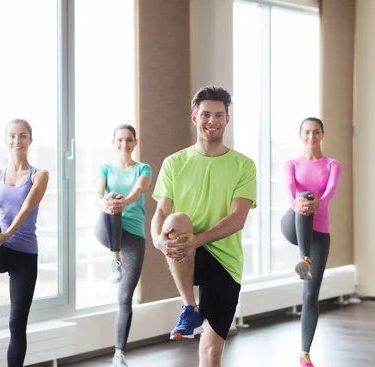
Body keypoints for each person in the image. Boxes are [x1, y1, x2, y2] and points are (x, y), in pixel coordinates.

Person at [151, 86, 257, 367]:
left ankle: (197, 317)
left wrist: (199, 240)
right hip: (186, 253)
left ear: (227, 120)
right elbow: (160, 212)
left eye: (219, 115)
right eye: (206, 114)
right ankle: (189, 307)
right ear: (195, 118)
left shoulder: (244, 165)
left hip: (224, 259)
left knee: (211, 352)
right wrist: (157, 239)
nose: (213, 120)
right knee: (176, 220)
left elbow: (238, 218)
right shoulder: (174, 163)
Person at [0, 118, 49, 367]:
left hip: (25, 254)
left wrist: (8, 235)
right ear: (6, 140)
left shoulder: (39, 175)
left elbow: (26, 209)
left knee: (17, 324)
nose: (18, 141)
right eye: (13, 136)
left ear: (30, 140)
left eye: (23, 136)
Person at [280, 117, 341, 367]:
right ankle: (303, 258)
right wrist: (303, 203)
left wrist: (319, 204)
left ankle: (305, 354)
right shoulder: (292, 164)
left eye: (316, 132)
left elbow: (330, 191)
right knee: (304, 197)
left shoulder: (332, 164)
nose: (311, 137)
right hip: (292, 224)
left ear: (322, 134)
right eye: (307, 132)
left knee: (310, 295)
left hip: (319, 234)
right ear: (300, 135)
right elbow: (290, 191)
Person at [93, 124, 152, 367]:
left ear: (135, 143)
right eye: (120, 140)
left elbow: (140, 189)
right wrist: (107, 203)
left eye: (129, 140)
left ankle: (118, 354)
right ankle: (114, 258)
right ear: (114, 142)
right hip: (107, 230)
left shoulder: (143, 168)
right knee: (112, 198)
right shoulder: (105, 168)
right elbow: (98, 192)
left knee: (125, 296)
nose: (124, 144)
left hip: (133, 234)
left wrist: (124, 202)